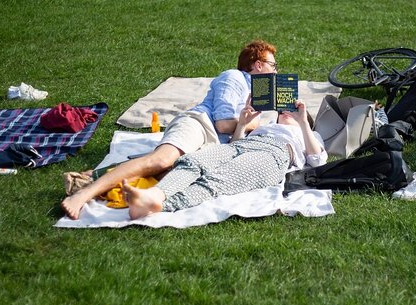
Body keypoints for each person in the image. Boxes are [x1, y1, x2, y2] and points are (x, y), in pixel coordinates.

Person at [61, 40, 279, 220]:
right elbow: (222, 123)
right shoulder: (234, 77)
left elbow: (235, 134)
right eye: (273, 65)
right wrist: (251, 123)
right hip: (200, 125)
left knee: (172, 172)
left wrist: (247, 124)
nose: (276, 71)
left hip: (217, 144)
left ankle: (94, 176)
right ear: (258, 65)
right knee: (161, 161)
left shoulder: (259, 97)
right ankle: (82, 195)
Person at [122, 100, 327, 220]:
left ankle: (159, 205)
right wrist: (242, 125)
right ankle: (157, 194)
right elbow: (233, 145)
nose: (285, 112)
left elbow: (317, 160)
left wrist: (302, 123)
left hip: (274, 154)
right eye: (283, 111)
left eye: (291, 112)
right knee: (194, 161)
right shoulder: (266, 126)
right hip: (241, 145)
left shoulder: (306, 133)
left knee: (217, 180)